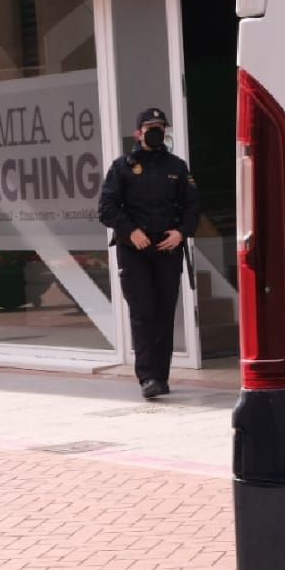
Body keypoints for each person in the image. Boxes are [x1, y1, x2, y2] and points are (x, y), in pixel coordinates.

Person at [97, 106, 200, 399]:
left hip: (168, 249)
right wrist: (130, 231)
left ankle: (161, 377)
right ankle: (147, 378)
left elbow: (193, 206)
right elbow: (106, 209)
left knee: (164, 313)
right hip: (135, 250)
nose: (156, 131)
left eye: (160, 126)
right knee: (143, 313)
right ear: (138, 132)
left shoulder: (177, 167)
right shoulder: (122, 167)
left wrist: (181, 232)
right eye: (150, 126)